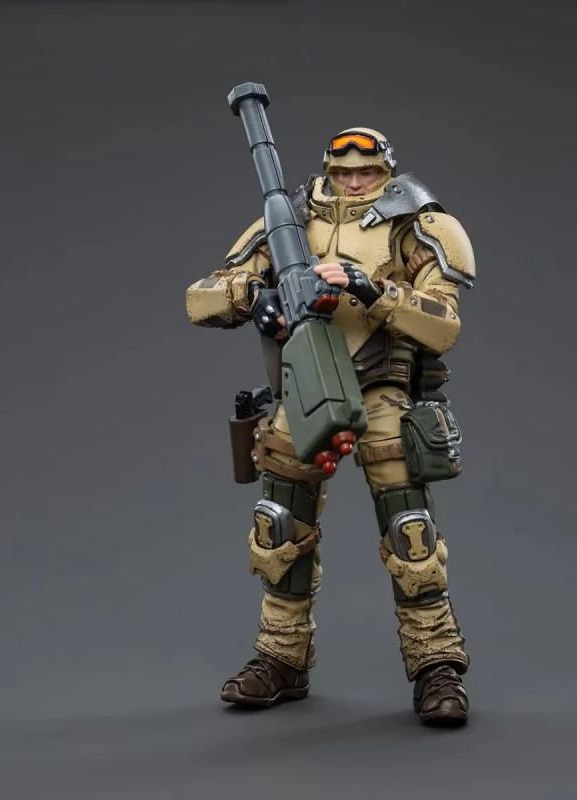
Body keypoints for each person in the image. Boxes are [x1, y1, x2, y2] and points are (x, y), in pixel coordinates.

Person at [185, 128, 476, 725]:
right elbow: (201, 296)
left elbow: (444, 322)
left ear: (385, 172)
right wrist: (253, 297)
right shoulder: (289, 219)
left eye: (366, 172)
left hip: (383, 391)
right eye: (343, 172)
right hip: (307, 387)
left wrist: (375, 291)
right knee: (279, 527)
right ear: (327, 170)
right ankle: (281, 657)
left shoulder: (416, 222)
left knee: (411, 534)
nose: (353, 182)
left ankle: (436, 664)